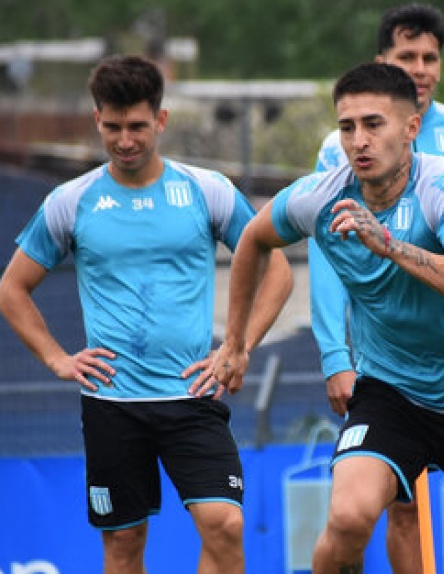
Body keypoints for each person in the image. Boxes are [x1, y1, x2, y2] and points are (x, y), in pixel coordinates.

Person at [208, 62, 444, 573]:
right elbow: (254, 238)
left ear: (410, 128)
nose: (358, 140)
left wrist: (390, 245)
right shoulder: (322, 197)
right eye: (347, 127)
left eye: (373, 124)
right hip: (393, 393)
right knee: (347, 517)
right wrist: (234, 343)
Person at [0, 55, 292, 574]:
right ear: (97, 121)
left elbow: (279, 273)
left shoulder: (207, 190)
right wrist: (56, 359)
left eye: (137, 126)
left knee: (225, 526)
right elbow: (13, 288)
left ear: (160, 120)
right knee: (124, 543)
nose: (125, 139)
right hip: (113, 404)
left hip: (193, 395)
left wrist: (237, 345)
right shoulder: (71, 200)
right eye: (112, 127)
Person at [311, 5, 444, 572]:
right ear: (384, 63)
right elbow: (325, 254)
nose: (422, 68)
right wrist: (336, 355)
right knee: (394, 505)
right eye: (408, 57)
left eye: (431, 57)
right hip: (391, 370)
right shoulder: (340, 151)